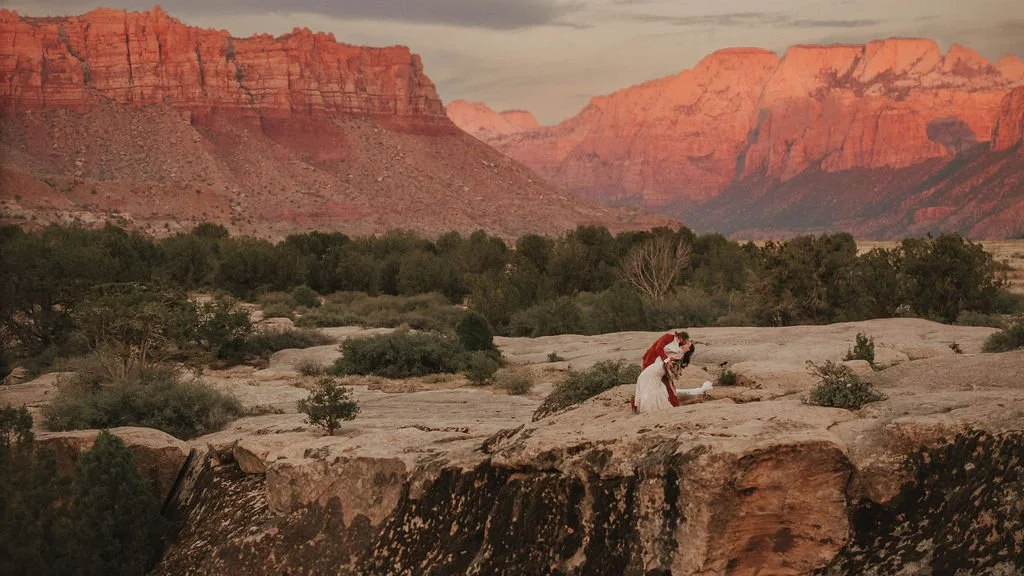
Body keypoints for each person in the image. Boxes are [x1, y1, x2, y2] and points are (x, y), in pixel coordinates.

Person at [632, 331, 706, 413]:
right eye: (686, 342)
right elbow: (658, 348)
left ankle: (671, 404)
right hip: (651, 361)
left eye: (688, 343)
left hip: (659, 366)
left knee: (660, 385)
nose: (686, 343)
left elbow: (671, 357)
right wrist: (667, 361)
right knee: (648, 384)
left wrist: (669, 363)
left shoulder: (678, 350)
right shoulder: (667, 338)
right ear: (681, 338)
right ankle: (639, 404)